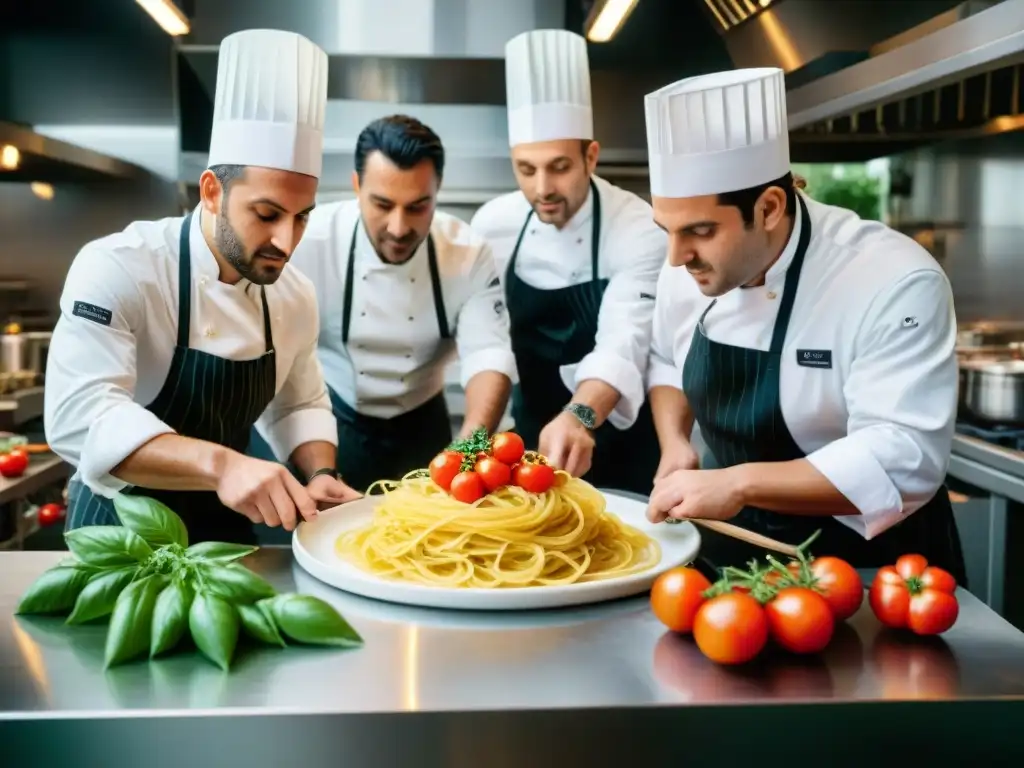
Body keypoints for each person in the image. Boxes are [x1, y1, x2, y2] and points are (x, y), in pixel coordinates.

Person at [643, 67, 966, 583]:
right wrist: (675, 439)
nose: (677, 257)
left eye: (700, 231)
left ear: (769, 208)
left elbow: (902, 457)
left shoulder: (892, 277)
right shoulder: (687, 264)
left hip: (870, 569)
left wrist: (740, 482)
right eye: (667, 231)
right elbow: (664, 355)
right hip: (741, 562)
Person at [44, 29, 361, 545]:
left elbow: (299, 404)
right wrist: (222, 465)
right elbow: (81, 417)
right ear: (212, 191)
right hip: (118, 533)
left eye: (302, 217)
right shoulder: (120, 267)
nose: (286, 239)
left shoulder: (293, 294)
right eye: (266, 213)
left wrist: (321, 474)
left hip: (225, 539)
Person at [248, 114, 517, 493]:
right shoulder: (311, 243)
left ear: (438, 191)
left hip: (424, 429)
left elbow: (488, 353)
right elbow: (277, 360)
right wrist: (318, 472)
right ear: (357, 186)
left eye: (418, 206)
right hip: (328, 421)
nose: (398, 227)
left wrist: (469, 452)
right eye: (382, 204)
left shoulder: (467, 253)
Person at [471, 29, 666, 495]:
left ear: (590, 157)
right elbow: (486, 341)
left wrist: (578, 415)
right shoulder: (493, 225)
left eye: (559, 166)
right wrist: (476, 438)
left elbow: (624, 343)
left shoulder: (637, 226)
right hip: (528, 451)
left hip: (620, 442)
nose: (542, 188)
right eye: (526, 169)